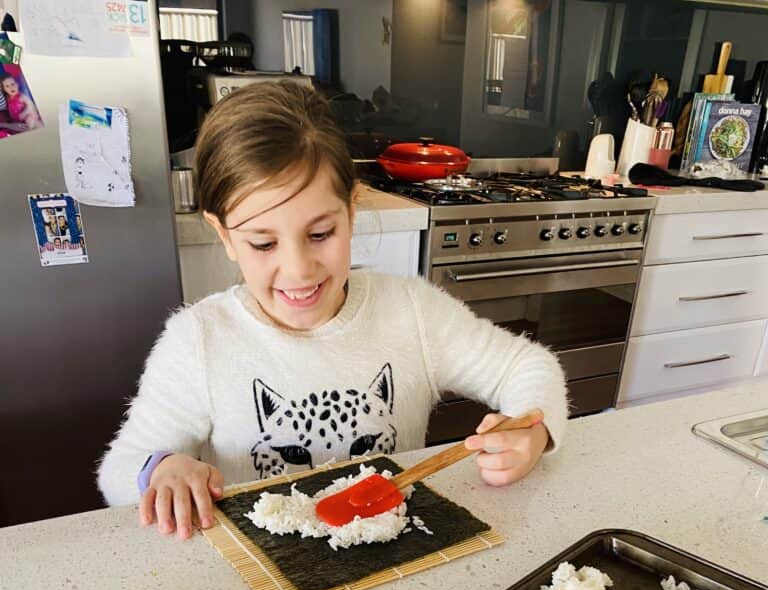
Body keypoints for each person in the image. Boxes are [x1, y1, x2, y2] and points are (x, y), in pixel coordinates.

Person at [98, 81, 567, 540]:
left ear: (351, 211)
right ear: (224, 235)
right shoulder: (199, 340)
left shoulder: (413, 312)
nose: (299, 270)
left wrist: (533, 429)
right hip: (262, 584)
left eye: (321, 234)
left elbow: (527, 365)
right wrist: (161, 469)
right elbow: (119, 469)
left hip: (394, 565)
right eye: (263, 243)